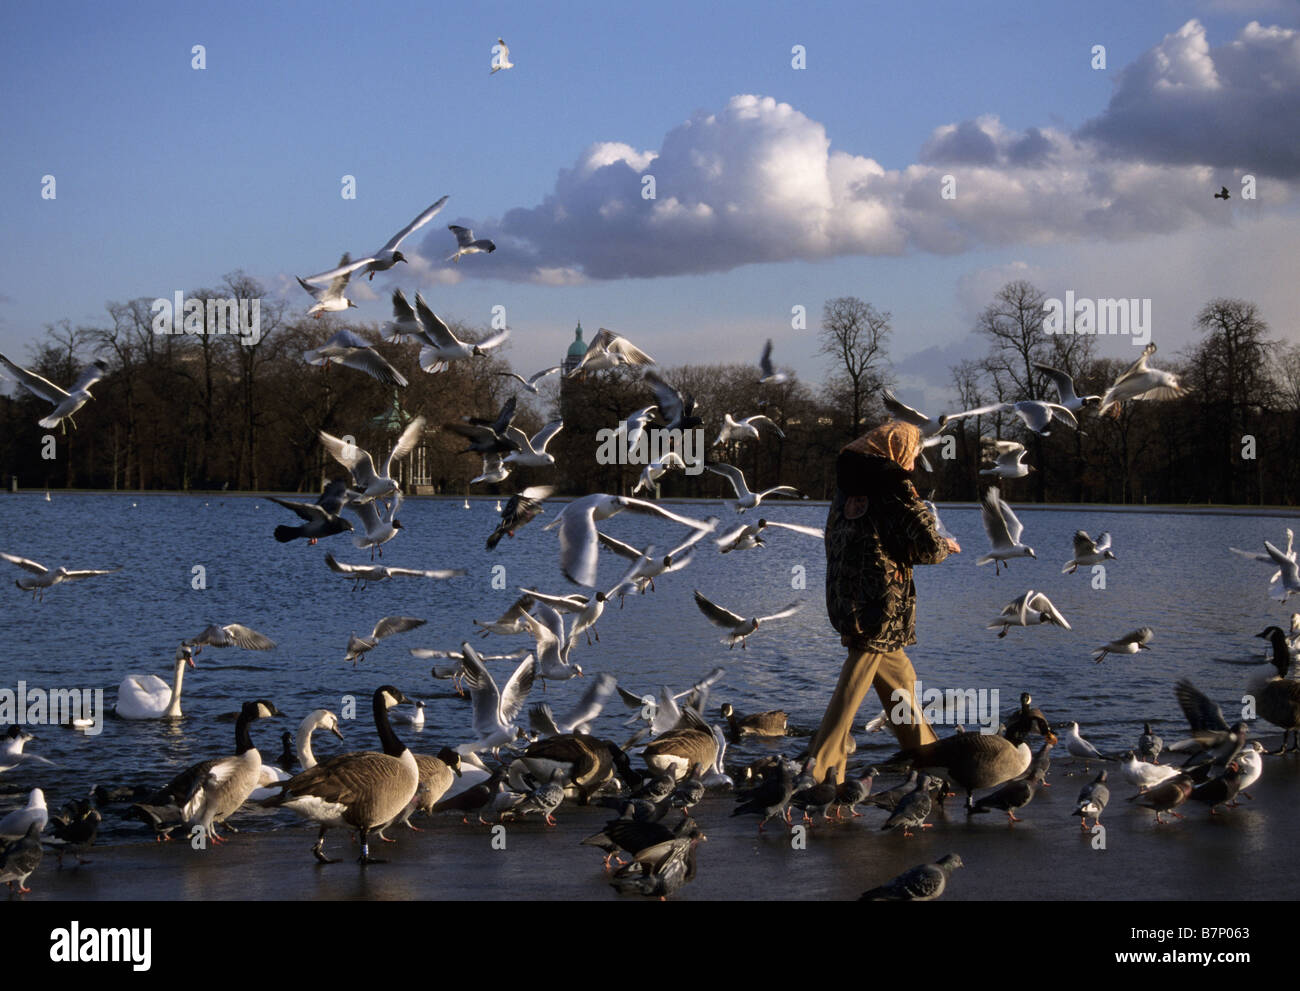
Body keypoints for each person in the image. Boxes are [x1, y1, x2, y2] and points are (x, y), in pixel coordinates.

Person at [809, 420, 960, 784]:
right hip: (882, 604)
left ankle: (930, 763)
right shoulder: (892, 486)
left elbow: (844, 539)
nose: (913, 459)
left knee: (900, 682)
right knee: (852, 690)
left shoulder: (845, 490)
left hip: (847, 600)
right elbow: (924, 544)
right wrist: (945, 545)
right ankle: (818, 774)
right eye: (912, 450)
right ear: (896, 449)